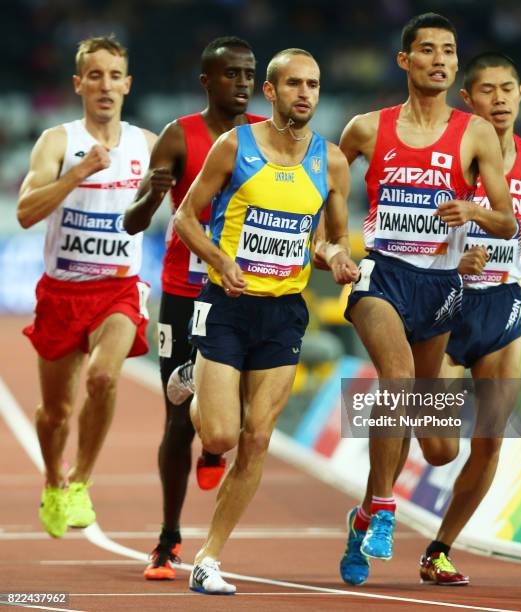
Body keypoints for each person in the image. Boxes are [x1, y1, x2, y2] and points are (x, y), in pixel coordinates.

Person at [337, 12, 517, 586]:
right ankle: (385, 512)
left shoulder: (475, 133)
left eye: (448, 50)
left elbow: (508, 223)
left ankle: (363, 511)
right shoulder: (366, 128)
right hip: (383, 277)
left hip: (441, 288)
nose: (439, 59)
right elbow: (329, 195)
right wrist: (334, 247)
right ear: (404, 61)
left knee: (438, 447)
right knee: (396, 378)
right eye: (427, 50)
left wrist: (475, 213)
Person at [174, 48, 358, 595]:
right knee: (222, 433)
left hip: (284, 312)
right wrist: (222, 260)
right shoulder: (236, 146)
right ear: (271, 93)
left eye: (315, 85)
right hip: (227, 303)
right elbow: (185, 217)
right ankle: (193, 374)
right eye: (294, 84)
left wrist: (336, 257)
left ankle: (209, 557)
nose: (306, 93)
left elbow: (332, 236)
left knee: (256, 439)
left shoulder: (333, 162)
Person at [419, 52, 521, 585]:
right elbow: (413, 230)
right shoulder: (447, 153)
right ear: (467, 100)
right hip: (445, 301)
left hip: (502, 305)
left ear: (520, 95)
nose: (498, 99)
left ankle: (439, 549)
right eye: (486, 90)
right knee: (439, 449)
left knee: (490, 439)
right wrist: (452, 252)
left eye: (507, 89)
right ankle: (376, 500)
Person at [123, 36, 265, 581]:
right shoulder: (178, 136)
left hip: (245, 291)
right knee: (176, 419)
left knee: (240, 419)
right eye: (232, 74)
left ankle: (214, 450)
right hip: (184, 293)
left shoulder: (264, 137)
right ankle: (168, 539)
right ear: (208, 81)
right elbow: (134, 223)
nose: (243, 82)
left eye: (250, 73)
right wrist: (154, 194)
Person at [17, 36, 155, 539]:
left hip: (118, 291)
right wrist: (79, 171)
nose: (105, 85)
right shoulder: (57, 140)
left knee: (102, 379)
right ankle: (54, 480)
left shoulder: (147, 144)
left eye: (114, 75)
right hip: (61, 294)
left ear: (127, 84)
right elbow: (26, 213)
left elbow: (191, 200)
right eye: (94, 75)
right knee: (55, 413)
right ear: (79, 83)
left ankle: (81, 480)